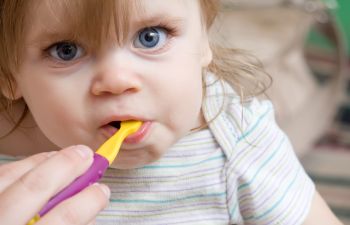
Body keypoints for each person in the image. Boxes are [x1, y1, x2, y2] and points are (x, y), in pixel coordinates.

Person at [0, 0, 343, 224]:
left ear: (204, 41)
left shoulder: (236, 142)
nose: (117, 81)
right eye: (66, 51)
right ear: (9, 74)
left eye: (150, 37)